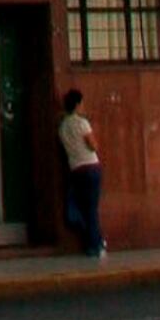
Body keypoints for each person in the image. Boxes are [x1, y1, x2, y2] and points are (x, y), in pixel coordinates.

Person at [60, 89, 105, 258]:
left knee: (84, 208)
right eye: (82, 103)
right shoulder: (82, 123)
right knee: (92, 209)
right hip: (91, 167)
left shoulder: (62, 127)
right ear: (78, 104)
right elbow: (93, 145)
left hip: (75, 169)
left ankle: (94, 241)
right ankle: (95, 245)